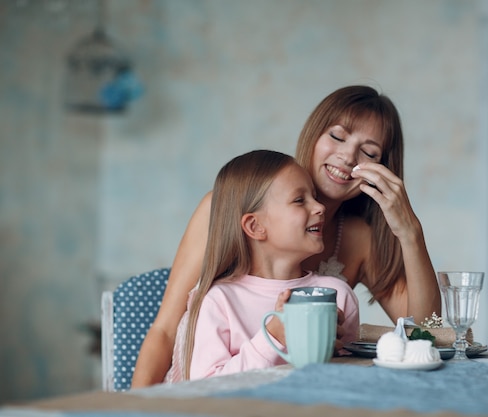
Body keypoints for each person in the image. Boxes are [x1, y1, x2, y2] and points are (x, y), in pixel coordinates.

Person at [131, 85, 440, 388]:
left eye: (369, 152)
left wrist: (410, 232)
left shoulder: (358, 238)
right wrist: (132, 409)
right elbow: (165, 331)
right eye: (336, 136)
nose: (348, 157)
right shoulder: (225, 208)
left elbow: (426, 333)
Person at [165, 150, 359, 381]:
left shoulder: (337, 295)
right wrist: (273, 337)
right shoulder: (220, 301)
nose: (320, 207)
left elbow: (349, 381)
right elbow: (207, 387)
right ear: (255, 226)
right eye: (299, 200)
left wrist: (336, 356)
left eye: (314, 197)